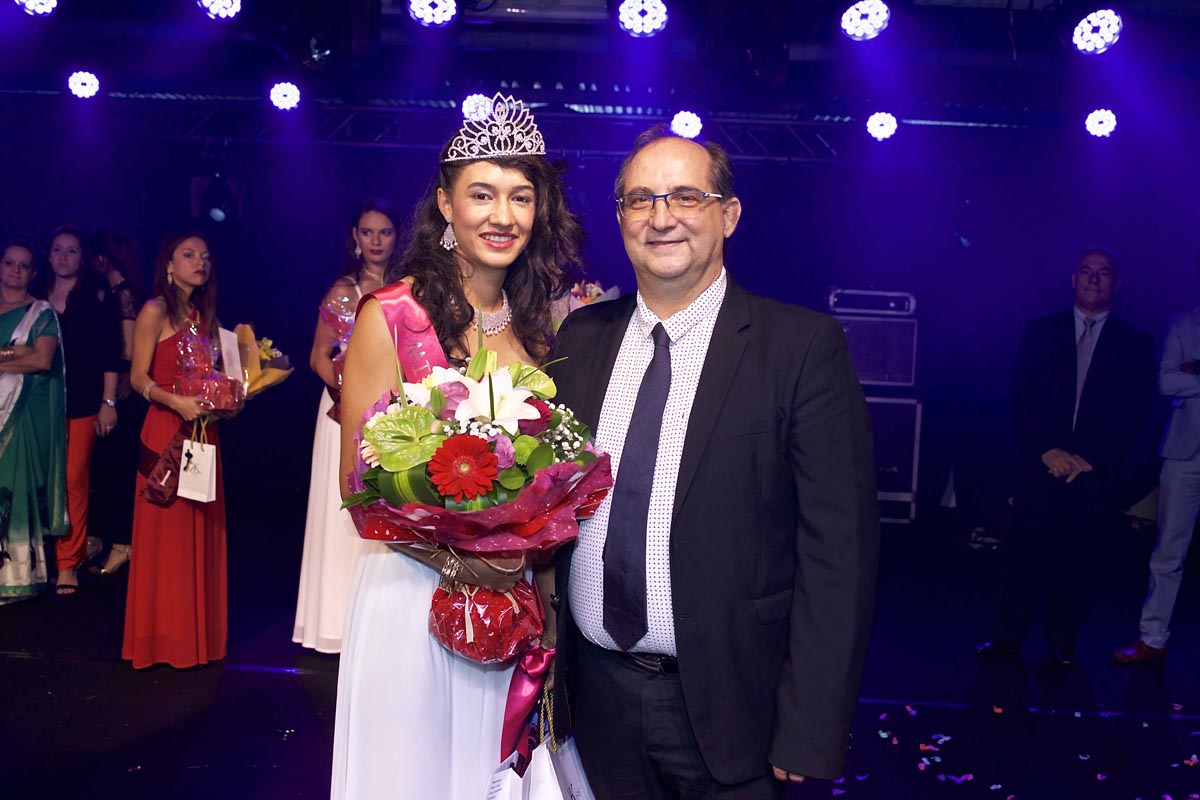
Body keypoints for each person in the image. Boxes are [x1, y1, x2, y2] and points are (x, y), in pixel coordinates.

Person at [547, 126, 880, 798]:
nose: (662, 216)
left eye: (686, 196)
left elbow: (837, 551)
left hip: (733, 708)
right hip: (595, 696)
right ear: (620, 222)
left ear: (728, 214)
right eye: (640, 200)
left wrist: (810, 724)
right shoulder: (581, 338)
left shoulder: (800, 347)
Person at [331, 96, 583, 800]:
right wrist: (469, 557)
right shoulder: (393, 318)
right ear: (445, 204)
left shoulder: (541, 333)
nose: (502, 215)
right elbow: (359, 490)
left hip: (510, 605)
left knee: (489, 775)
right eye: (482, 193)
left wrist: (526, 577)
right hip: (411, 599)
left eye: (521, 196)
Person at [976, 249, 1155, 668]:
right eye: (1087, 272)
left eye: (1104, 273)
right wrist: (1047, 449)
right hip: (1041, 467)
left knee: (1078, 562)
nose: (1094, 280)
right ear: (1073, 279)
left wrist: (1094, 458)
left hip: (1095, 475)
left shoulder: (1135, 343)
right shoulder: (1040, 332)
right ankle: (1006, 639)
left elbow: (1139, 409)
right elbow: (1020, 394)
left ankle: (1062, 643)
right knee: (1023, 558)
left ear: (1116, 283)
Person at [123, 232, 234, 669]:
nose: (199, 262)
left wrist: (226, 400)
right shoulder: (154, 310)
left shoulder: (204, 318)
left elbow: (214, 378)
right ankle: (161, 640)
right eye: (188, 255)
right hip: (167, 427)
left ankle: (196, 640)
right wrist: (176, 403)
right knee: (164, 535)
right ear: (168, 264)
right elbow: (137, 378)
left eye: (205, 256)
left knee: (198, 531)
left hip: (202, 432)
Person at [292, 199, 396, 653]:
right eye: (367, 232)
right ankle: (335, 623)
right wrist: (347, 388)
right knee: (343, 514)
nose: (375, 241)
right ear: (354, 237)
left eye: (384, 232)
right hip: (342, 410)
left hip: (395, 411)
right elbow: (318, 355)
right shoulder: (343, 291)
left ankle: (376, 623)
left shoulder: (406, 290)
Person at [1113, 305, 1200, 664]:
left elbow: (1180, 379)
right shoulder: (1183, 323)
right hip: (1184, 452)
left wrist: (1194, 371)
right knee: (1168, 550)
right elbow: (1166, 382)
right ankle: (1153, 639)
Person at [43, 224, 122, 596]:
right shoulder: (33, 296)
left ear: (82, 256)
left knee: (73, 480)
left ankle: (68, 563)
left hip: (83, 400)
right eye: (57, 250)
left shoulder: (95, 296)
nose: (63, 257)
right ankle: (33, 559)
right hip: (37, 401)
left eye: (71, 250)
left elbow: (110, 353)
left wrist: (108, 403)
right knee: (37, 480)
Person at [0, 241, 68, 603]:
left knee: (11, 488)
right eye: (9, 263)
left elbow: (42, 359)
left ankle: (14, 577)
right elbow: (27, 353)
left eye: (24, 266)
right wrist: (17, 351)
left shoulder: (40, 312)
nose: (15, 270)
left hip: (20, 414)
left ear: (33, 273)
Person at [87, 229, 146, 576]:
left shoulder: (124, 294)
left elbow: (126, 346)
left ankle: (124, 543)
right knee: (108, 467)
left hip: (124, 391)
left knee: (119, 466)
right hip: (118, 386)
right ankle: (109, 539)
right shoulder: (115, 291)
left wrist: (115, 376)